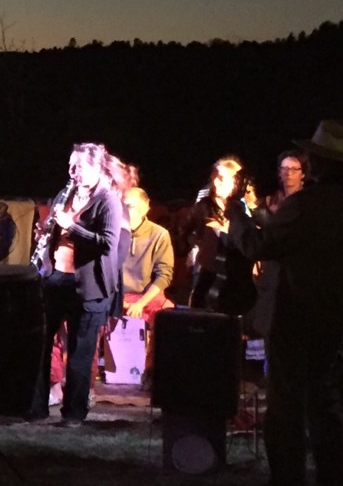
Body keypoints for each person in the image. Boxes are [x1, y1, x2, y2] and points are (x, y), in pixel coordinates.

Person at [227, 120, 343, 486]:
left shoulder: (307, 204)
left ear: (324, 163)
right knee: (322, 401)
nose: (306, 162)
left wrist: (236, 215)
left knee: (285, 405)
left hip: (293, 313)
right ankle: (335, 482)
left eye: (313, 157)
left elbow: (259, 245)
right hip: (330, 313)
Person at [28, 143, 123, 426]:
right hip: (56, 278)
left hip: (89, 287)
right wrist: (46, 234)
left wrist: (72, 226)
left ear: (96, 168)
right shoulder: (65, 193)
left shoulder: (108, 201)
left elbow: (107, 244)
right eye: (71, 164)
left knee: (80, 353)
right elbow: (58, 231)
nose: (72, 171)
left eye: (79, 166)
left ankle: (73, 414)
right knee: (40, 345)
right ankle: (35, 408)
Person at [186, 155, 257, 316]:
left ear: (236, 184)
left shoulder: (247, 209)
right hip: (209, 273)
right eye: (215, 177)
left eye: (223, 179)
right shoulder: (204, 205)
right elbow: (190, 234)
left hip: (237, 280)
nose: (216, 182)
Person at [121, 187, 175, 324]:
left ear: (143, 209)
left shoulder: (159, 234)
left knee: (166, 315)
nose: (123, 211)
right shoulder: (112, 233)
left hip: (146, 297)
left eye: (129, 206)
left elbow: (164, 275)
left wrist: (140, 303)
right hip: (118, 297)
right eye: (121, 205)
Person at [262, 149, 310, 214]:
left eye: (294, 169)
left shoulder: (306, 201)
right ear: (279, 172)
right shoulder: (271, 200)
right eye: (285, 168)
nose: (288, 173)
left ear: (303, 174)